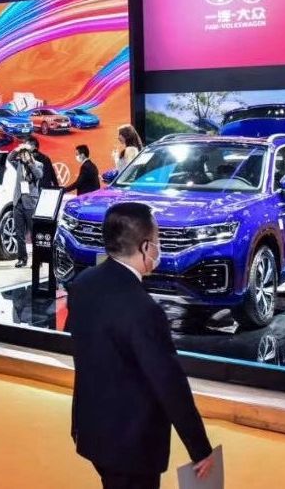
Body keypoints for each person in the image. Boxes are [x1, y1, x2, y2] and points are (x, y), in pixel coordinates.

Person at [65, 202, 213, 488]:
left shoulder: (83, 283)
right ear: (146, 247)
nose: (159, 248)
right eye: (158, 240)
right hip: (132, 444)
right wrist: (199, 448)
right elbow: (169, 382)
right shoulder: (144, 309)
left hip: (92, 428)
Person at [7, 143, 44, 269]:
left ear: (30, 154)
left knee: (34, 234)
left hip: (30, 203)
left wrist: (30, 163)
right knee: (19, 233)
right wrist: (17, 149)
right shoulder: (18, 164)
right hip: (18, 202)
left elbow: (39, 175)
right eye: (21, 154)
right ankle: (22, 259)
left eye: (25, 154)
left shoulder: (38, 164)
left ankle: (37, 260)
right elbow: (9, 158)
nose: (23, 156)